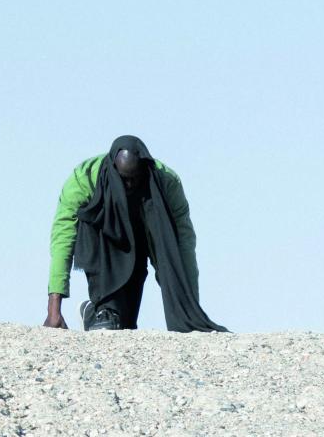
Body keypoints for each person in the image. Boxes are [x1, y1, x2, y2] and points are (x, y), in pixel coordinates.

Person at [44, 135, 224, 332]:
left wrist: (189, 307)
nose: (128, 185)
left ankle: (94, 312)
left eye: (134, 179)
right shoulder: (83, 180)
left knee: (125, 324)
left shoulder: (166, 182)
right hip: (103, 241)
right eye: (123, 179)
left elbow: (182, 244)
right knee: (110, 323)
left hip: (141, 237)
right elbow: (62, 239)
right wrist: (54, 309)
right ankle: (103, 309)